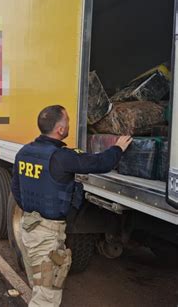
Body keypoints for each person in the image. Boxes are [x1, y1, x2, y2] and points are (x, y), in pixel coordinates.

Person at [11, 105, 132, 307]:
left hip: (29, 227)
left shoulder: (24, 152)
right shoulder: (61, 157)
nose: (69, 125)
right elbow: (99, 163)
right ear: (59, 129)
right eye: (67, 121)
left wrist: (35, 211)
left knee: (38, 287)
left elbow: (16, 190)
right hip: (46, 235)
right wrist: (118, 147)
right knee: (46, 300)